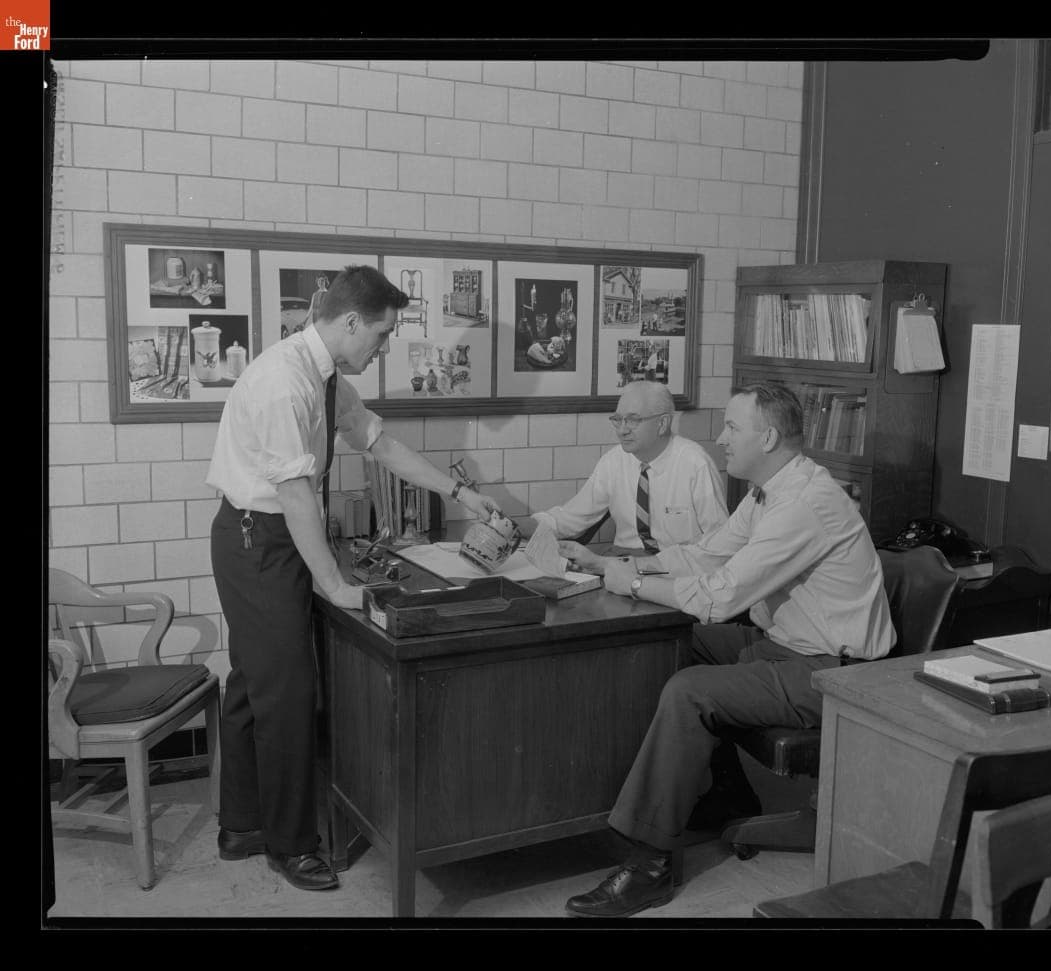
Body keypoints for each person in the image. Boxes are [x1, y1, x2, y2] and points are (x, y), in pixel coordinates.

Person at [206, 265, 499, 892]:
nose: (385, 347)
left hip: (266, 535)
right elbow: (295, 496)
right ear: (349, 322)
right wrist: (333, 586)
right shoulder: (286, 382)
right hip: (260, 539)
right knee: (286, 690)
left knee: (252, 683)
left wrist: (462, 493)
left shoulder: (324, 374)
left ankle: (243, 823)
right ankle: (291, 845)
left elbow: (380, 445)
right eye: (383, 334)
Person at [560, 382, 896, 917]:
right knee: (666, 645)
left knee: (689, 690)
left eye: (732, 428)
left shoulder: (806, 503)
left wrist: (634, 586)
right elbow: (707, 553)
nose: (720, 439)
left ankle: (649, 868)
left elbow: (719, 597)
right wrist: (617, 567)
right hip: (779, 646)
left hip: (832, 673)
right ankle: (727, 797)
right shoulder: (771, 490)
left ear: (766, 436)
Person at [532, 380, 727, 553]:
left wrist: (658, 564)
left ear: (662, 423)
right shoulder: (613, 461)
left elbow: (719, 542)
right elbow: (570, 519)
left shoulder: (696, 464)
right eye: (618, 420)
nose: (622, 430)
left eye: (633, 420)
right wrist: (512, 528)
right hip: (623, 565)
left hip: (677, 572)